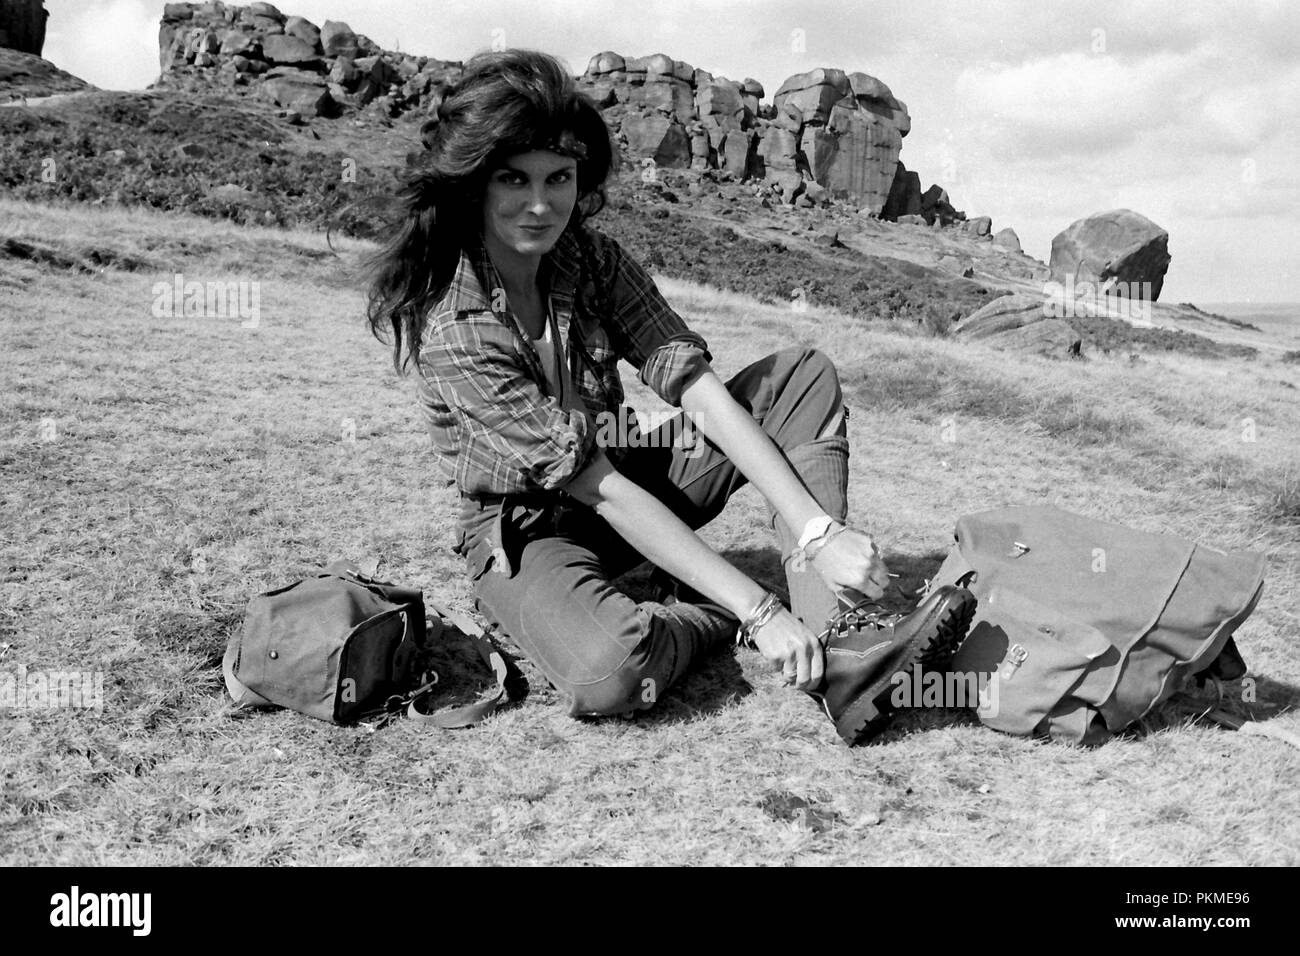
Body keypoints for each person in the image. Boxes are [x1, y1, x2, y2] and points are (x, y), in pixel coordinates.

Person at [362, 49, 975, 744]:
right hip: (531, 531)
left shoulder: (591, 260)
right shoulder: (457, 327)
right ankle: (697, 607)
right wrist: (756, 611)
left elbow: (698, 390)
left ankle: (843, 647)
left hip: (622, 472)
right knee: (613, 672)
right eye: (514, 179)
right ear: (474, 182)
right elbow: (598, 489)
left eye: (558, 178)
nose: (541, 204)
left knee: (799, 377)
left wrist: (816, 531)